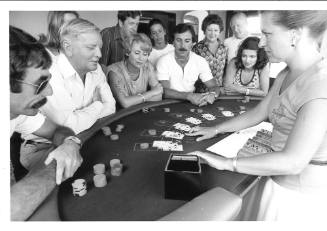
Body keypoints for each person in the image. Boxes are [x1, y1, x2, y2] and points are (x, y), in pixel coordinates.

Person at [187, 10, 327, 221]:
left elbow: (293, 162)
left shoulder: (320, 83)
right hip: (275, 180)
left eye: (267, 33)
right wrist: (216, 129)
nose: (261, 42)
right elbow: (260, 112)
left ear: (294, 35)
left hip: (296, 200)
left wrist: (227, 163)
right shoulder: (286, 72)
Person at [20, 18, 116, 168]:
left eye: (100, 47)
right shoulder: (50, 72)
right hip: (43, 147)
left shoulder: (96, 69)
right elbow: (69, 127)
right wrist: (97, 105)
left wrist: (81, 116)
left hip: (86, 136)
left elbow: (111, 107)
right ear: (68, 47)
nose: (99, 54)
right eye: (91, 47)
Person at [10, 27, 83, 221]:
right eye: (41, 84)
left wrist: (69, 142)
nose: (49, 92)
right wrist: (57, 168)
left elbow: (58, 130)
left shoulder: (16, 113)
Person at [156, 23, 221, 107]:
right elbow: (164, 91)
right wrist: (189, 96)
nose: (182, 45)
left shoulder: (200, 61)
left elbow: (214, 86)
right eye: (178, 40)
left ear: (193, 43)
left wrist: (212, 95)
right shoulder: (163, 61)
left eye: (187, 41)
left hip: (191, 103)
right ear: (173, 42)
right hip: (167, 104)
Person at [107, 33, 163, 109]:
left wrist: (134, 101)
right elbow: (125, 103)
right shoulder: (114, 72)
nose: (141, 58)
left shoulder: (148, 66)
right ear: (127, 52)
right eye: (137, 53)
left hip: (140, 113)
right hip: (118, 116)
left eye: (145, 54)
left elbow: (159, 96)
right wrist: (151, 93)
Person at [192, 14, 227, 93]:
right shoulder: (197, 48)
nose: (212, 33)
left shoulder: (224, 48)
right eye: (209, 30)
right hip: (201, 91)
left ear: (220, 31)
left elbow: (225, 70)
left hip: (219, 91)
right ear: (204, 30)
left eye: (216, 30)